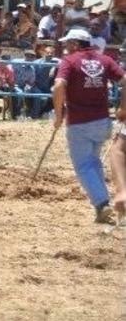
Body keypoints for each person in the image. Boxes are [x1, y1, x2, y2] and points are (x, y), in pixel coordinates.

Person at [53, 28, 126, 224]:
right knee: (93, 162)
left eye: (68, 43)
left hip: (80, 122)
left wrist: (58, 115)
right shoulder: (104, 60)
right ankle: (101, 203)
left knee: (84, 165)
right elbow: (125, 80)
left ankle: (102, 204)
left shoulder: (69, 61)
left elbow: (59, 86)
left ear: (75, 44)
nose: (66, 47)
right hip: (102, 121)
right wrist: (123, 107)